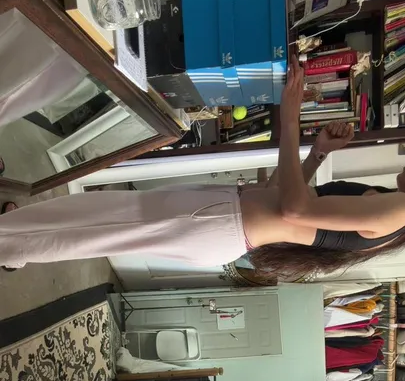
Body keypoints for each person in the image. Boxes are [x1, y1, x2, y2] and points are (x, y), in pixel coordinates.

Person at [1, 55, 404, 278]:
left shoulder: (399, 211)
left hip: (217, 222)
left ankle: (9, 240)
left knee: (91, 224)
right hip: (221, 220)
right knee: (94, 222)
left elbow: (294, 210)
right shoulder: (392, 214)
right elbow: (282, 199)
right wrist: (316, 154)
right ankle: (15, 245)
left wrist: (289, 120)